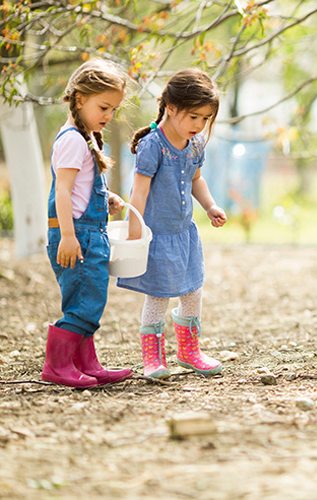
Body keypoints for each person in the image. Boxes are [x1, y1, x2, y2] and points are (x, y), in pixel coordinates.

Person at [117, 68, 227, 379]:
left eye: (205, 118)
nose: (200, 125)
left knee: (193, 290)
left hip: (184, 235)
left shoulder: (194, 145)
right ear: (171, 107)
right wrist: (134, 233)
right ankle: (153, 357)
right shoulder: (153, 145)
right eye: (194, 116)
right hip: (157, 236)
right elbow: (138, 192)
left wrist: (210, 206)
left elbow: (197, 180)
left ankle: (189, 350)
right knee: (159, 294)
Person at [43, 59, 133, 388]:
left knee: (91, 298)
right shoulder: (71, 140)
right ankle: (57, 365)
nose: (108, 116)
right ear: (80, 99)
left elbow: (81, 188)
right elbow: (61, 193)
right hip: (76, 235)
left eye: (113, 109)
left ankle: (85, 362)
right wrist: (68, 236)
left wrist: (105, 196)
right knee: (82, 302)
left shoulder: (88, 137)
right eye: (103, 107)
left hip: (90, 234)